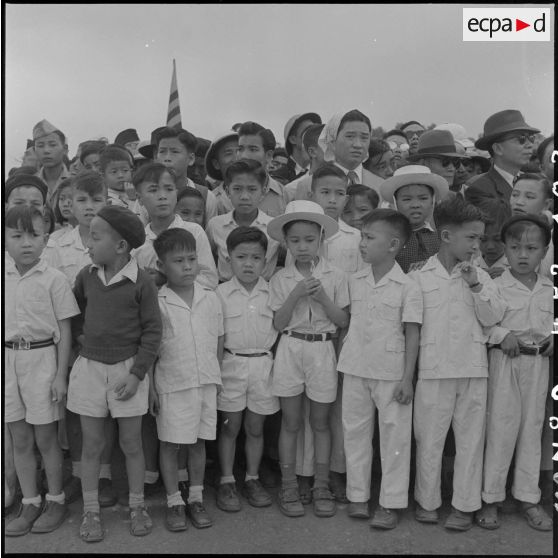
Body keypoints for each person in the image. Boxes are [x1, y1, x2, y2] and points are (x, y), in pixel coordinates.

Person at [409, 197, 505, 531]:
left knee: (470, 442)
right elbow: (411, 325)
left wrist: (475, 284)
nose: (477, 245)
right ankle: (428, 502)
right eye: (471, 237)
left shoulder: (480, 275)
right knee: (430, 440)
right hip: (433, 371)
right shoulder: (419, 276)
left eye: (480, 238)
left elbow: (493, 317)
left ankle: (464, 505)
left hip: (473, 370)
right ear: (447, 236)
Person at [66, 205, 162, 542]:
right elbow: (74, 315)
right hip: (90, 370)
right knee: (92, 445)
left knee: (131, 442)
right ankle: (91, 510)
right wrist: (84, 343)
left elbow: (153, 332)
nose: (88, 244)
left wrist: (137, 375)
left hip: (128, 371)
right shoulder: (86, 276)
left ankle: (137, 504)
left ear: (121, 246)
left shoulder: (142, 283)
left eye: (95, 236)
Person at [338, 209, 422, 529]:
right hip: (356, 366)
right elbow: (349, 323)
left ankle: (390, 502)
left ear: (393, 244)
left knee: (394, 439)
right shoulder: (355, 280)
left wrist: (407, 378)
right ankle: (357, 495)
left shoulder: (407, 285)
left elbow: (412, 332)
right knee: (355, 432)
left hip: (391, 372)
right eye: (362, 236)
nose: (362, 243)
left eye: (370, 237)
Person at [267, 201, 350, 518]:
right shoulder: (280, 279)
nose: (303, 247)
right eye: (295, 241)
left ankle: (320, 484)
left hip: (322, 350)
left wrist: (321, 297)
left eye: (309, 240)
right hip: (291, 348)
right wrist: (296, 294)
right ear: (286, 243)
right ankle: (289, 485)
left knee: (320, 423)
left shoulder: (336, 275)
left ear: (321, 240)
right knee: (290, 423)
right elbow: (278, 323)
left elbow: (342, 320)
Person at [5, 206, 79, 537]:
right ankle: (30, 500)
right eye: (16, 236)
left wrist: (61, 375)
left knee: (46, 437)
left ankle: (55, 498)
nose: (25, 243)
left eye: (34, 235)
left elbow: (64, 332)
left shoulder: (55, 279)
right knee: (19, 437)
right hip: (9, 362)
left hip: (43, 361)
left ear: (46, 238)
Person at [476, 215, 553, 532]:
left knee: (531, 430)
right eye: (515, 247)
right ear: (505, 249)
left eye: (532, 248)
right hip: (506, 362)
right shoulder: (496, 284)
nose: (523, 255)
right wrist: (500, 334)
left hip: (538, 364)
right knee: (501, 429)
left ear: (545, 250)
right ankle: (491, 498)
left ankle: (527, 497)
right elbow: (483, 321)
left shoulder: (550, 288)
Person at [149, 228, 223, 532]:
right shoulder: (158, 302)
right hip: (172, 383)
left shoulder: (210, 298)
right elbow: (151, 349)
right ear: (162, 266)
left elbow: (218, 339)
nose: (188, 266)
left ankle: (195, 496)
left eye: (192, 259)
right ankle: (173, 501)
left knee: (198, 443)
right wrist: (152, 387)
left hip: (205, 382)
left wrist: (216, 376)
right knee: (169, 444)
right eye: (179, 261)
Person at [215, 227, 279, 513]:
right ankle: (227, 479)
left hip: (264, 365)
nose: (249, 263)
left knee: (255, 427)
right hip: (231, 364)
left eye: (256, 257)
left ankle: (252, 477)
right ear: (228, 259)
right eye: (241, 257)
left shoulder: (273, 292)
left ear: (266, 261)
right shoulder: (220, 294)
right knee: (230, 426)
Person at [131, 162, 218, 290]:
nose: (162, 196)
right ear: (139, 198)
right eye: (153, 190)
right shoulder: (138, 243)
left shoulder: (194, 232)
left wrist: (167, 278)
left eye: (169, 189)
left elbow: (210, 280)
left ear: (176, 194)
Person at [206, 159, 279, 282]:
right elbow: (209, 258)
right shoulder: (215, 225)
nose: (244, 196)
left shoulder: (273, 227)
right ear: (228, 192)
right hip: (224, 293)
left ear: (263, 191)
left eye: (252, 189)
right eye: (237, 189)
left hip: (264, 294)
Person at [380, 165, 449, 273]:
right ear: (396, 202)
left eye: (423, 198)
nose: (415, 205)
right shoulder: (387, 239)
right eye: (407, 199)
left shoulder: (443, 237)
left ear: (432, 201)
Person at [465, 110, 540, 207]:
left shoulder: (535, 183)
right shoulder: (479, 190)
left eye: (531, 138)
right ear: (498, 148)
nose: (530, 145)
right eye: (521, 138)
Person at [155, 127, 218, 222]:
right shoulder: (149, 194)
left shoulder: (207, 197)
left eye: (175, 151)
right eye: (162, 151)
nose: (167, 158)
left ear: (191, 159)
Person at [318, 110, 383, 197]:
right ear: (332, 141)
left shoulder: (381, 187)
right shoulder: (311, 185)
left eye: (364, 138)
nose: (358, 145)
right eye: (350, 136)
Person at [237, 121, 290, 217]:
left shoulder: (284, 196)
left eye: (253, 149)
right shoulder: (222, 198)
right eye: (240, 149)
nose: (244, 155)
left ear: (269, 155)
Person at [285, 123, 325, 202]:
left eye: (335, 143)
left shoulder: (347, 182)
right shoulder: (292, 190)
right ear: (312, 152)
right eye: (327, 144)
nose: (334, 148)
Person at [33, 119, 70, 204]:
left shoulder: (76, 182)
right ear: (35, 150)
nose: (46, 150)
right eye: (40, 145)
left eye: (52, 145)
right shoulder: (31, 182)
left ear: (64, 149)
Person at [204, 130, 238, 214]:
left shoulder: (263, 193)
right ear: (216, 164)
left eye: (239, 151)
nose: (236, 159)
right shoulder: (210, 200)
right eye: (228, 153)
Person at [476, 199, 511, 279]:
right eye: (483, 239)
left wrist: (509, 277)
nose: (490, 246)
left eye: (497, 239)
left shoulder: (517, 268)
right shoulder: (470, 264)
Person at [283, 112, 322, 182]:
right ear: (293, 139)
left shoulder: (327, 173)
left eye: (315, 130)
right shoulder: (279, 176)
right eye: (308, 130)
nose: (313, 134)